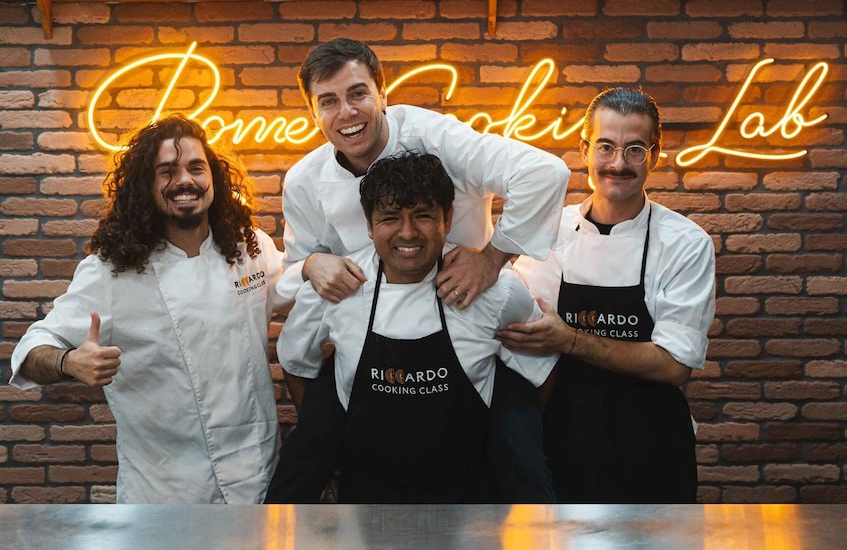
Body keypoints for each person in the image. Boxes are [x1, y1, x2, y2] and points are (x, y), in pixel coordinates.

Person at [270, 37, 569, 502]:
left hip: (470, 310)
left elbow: (545, 173)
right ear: (312, 112)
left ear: (382, 93)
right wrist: (310, 263)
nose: (346, 113)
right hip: (366, 324)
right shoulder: (305, 180)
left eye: (357, 94)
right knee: (303, 469)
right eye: (328, 101)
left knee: (523, 473)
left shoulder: (438, 138)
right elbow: (296, 281)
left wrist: (491, 259)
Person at [9, 116, 285, 503]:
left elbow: (303, 291)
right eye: (166, 172)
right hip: (165, 493)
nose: (184, 181)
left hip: (257, 479)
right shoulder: (111, 272)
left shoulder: (250, 250)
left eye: (195, 168)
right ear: (146, 187)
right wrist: (69, 362)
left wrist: (317, 265)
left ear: (214, 180)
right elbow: (32, 347)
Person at [498, 87, 716, 503]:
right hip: (562, 442)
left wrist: (569, 339)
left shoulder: (686, 243)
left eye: (635, 149)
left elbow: (674, 366)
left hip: (653, 449)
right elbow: (520, 335)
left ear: (654, 155)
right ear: (584, 150)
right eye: (606, 146)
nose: (618, 163)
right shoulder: (547, 233)